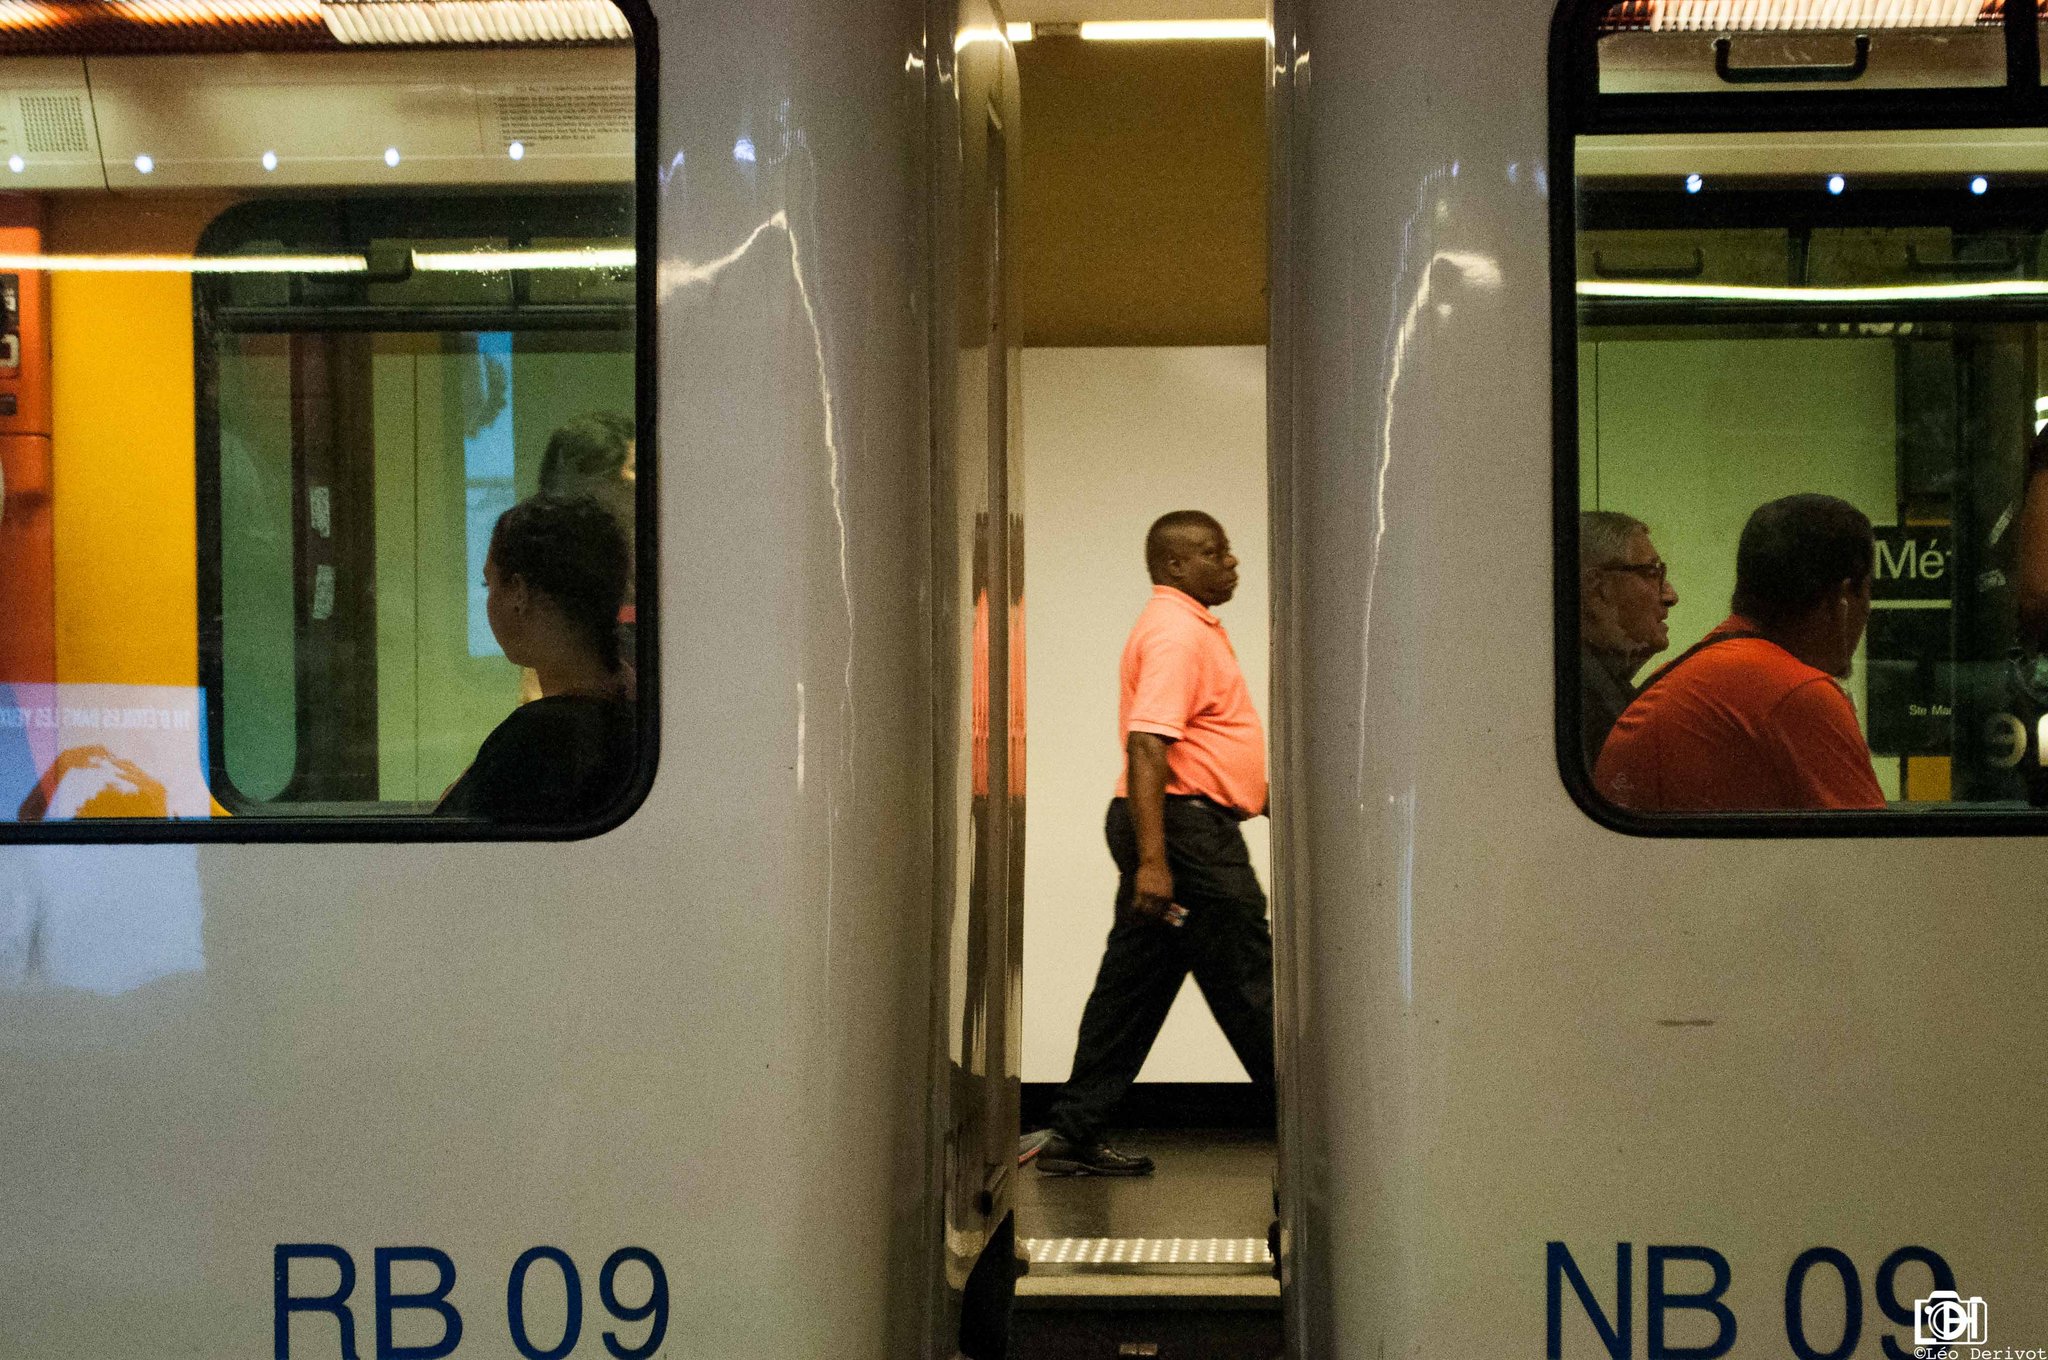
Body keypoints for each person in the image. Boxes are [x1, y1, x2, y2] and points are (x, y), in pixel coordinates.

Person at [1034, 510, 1276, 1177]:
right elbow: (1148, 745)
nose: (1232, 563)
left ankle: (1074, 1133)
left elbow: (1202, 742)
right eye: (1217, 553)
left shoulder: (1186, 626)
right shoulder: (1176, 633)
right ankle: (1322, 1137)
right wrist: (1153, 861)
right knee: (1250, 980)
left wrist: (1252, 790)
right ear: (1176, 564)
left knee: (1132, 987)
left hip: (1180, 828)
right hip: (1183, 835)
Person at [1595, 493, 1885, 812]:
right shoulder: (1799, 694)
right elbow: (1871, 850)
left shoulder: (1683, 675)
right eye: (1867, 595)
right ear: (1843, 598)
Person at [439, 494, 636, 823]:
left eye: (488, 583)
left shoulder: (535, 738)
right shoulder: (635, 711)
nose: (489, 599)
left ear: (518, 592)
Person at [1578, 510, 1679, 770]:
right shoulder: (1581, 704)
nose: (1670, 595)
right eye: (1652, 572)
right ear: (1598, 590)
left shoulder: (1593, 688)